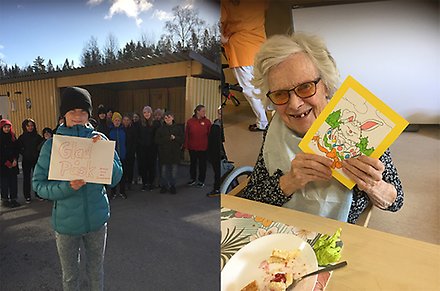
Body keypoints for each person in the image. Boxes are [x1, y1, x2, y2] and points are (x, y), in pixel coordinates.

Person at [241, 33, 404, 223]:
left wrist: (372, 185)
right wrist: (290, 181)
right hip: (282, 232)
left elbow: (396, 200)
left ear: (325, 85)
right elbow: (252, 197)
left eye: (305, 87)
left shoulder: (357, 125)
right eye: (280, 94)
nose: (294, 104)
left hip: (338, 238)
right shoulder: (276, 130)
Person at [32, 86, 123, 291]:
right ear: (63, 115)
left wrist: (103, 153)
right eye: (72, 111)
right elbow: (38, 185)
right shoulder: (52, 145)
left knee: (95, 271)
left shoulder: (100, 139)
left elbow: (115, 178)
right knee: (70, 276)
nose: (78, 116)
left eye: (83, 111)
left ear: (89, 115)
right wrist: (67, 187)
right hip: (66, 226)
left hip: (97, 221)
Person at [221, 0, 269, 132]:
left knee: (250, 89)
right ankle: (274, 116)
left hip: (241, 50)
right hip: (260, 47)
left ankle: (263, 123)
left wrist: (223, 40)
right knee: (265, 85)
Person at [155, 112, 184, 194]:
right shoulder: (160, 129)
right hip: (164, 154)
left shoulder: (178, 128)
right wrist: (168, 138)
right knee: (164, 172)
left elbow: (182, 139)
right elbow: (157, 140)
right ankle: (164, 186)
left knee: (174, 172)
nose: (167, 119)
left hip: (175, 154)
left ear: (173, 118)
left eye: (169, 117)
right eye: (165, 118)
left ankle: (172, 186)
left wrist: (175, 138)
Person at [184, 104, 211, 188]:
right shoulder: (190, 122)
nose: (204, 113)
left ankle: (201, 180)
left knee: (202, 165)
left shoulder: (207, 122)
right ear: (197, 111)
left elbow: (210, 135)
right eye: (203, 111)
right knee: (193, 164)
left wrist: (210, 147)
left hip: (203, 148)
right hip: (192, 147)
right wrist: (186, 145)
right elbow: (187, 134)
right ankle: (192, 179)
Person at [17, 118, 44, 203]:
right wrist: (24, 153)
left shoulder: (37, 136)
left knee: (37, 177)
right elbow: (18, 148)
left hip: (36, 160)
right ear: (25, 127)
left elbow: (41, 146)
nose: (30, 127)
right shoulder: (22, 137)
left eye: (32, 125)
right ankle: (27, 196)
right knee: (26, 178)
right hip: (26, 160)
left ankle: (38, 194)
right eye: (28, 126)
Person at [0, 119, 20, 208]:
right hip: (3, 165)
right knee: (4, 183)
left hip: (13, 163)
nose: (7, 129)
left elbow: (16, 149)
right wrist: (6, 162)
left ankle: (13, 199)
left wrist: (15, 159)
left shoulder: (12, 137)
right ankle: (5, 199)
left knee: (13, 183)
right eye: (5, 127)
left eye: (8, 127)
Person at [206, 108, 226, 197]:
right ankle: (217, 189)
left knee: (221, 172)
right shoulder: (215, 126)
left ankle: (219, 188)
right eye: (220, 114)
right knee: (218, 172)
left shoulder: (219, 126)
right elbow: (212, 142)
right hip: (216, 154)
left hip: (221, 153)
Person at [138, 106, 158, 191]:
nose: (147, 114)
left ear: (151, 113)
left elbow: (156, 136)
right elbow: (137, 136)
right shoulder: (139, 123)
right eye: (145, 112)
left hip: (152, 149)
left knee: (151, 167)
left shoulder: (155, 123)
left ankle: (151, 183)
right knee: (143, 166)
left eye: (148, 112)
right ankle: (144, 183)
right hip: (142, 149)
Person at [108, 112, 127, 199]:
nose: (117, 122)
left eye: (119, 120)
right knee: (113, 175)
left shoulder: (123, 130)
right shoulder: (110, 130)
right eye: (115, 120)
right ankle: (113, 192)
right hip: (113, 156)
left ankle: (122, 191)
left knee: (122, 175)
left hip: (122, 155)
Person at [122, 114, 136, 190]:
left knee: (130, 168)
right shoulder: (121, 129)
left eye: (127, 120)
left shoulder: (133, 129)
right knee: (123, 168)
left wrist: (133, 150)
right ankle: (123, 183)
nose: (126, 122)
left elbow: (135, 141)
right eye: (124, 120)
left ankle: (129, 183)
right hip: (123, 152)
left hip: (131, 152)